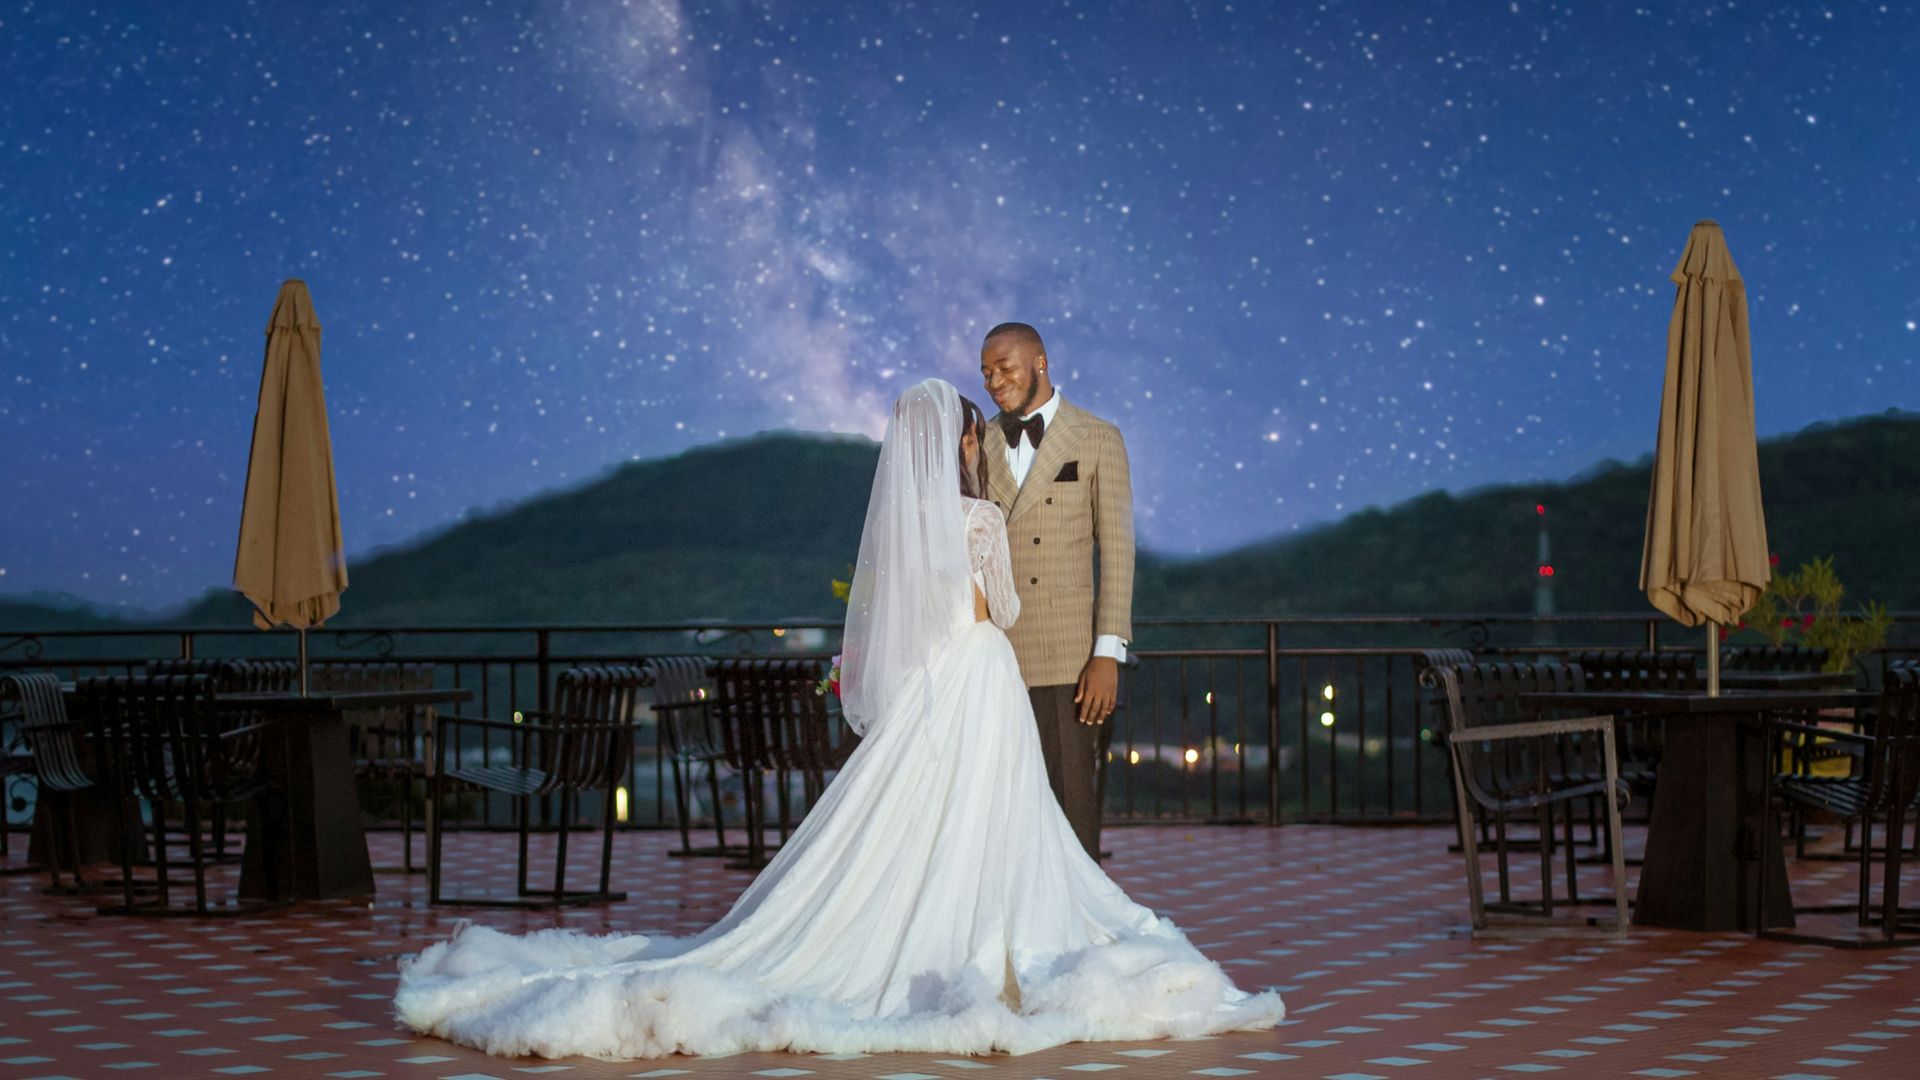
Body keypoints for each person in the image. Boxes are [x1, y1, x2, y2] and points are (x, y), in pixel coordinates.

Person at [392, 379, 1282, 1059]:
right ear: (963, 441)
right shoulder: (973, 517)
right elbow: (999, 610)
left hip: (933, 685)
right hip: (979, 678)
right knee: (992, 820)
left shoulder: (901, 533)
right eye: (972, 432)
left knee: (926, 819)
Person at [980, 322, 1132, 860]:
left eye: (1004, 367)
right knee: (1000, 810)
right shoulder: (980, 443)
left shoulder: (1096, 437)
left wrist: (1106, 654)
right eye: (986, 373)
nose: (994, 381)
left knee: (1072, 808)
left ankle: (1081, 933)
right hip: (993, 654)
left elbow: (1117, 554)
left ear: (1039, 362)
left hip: (1068, 657)